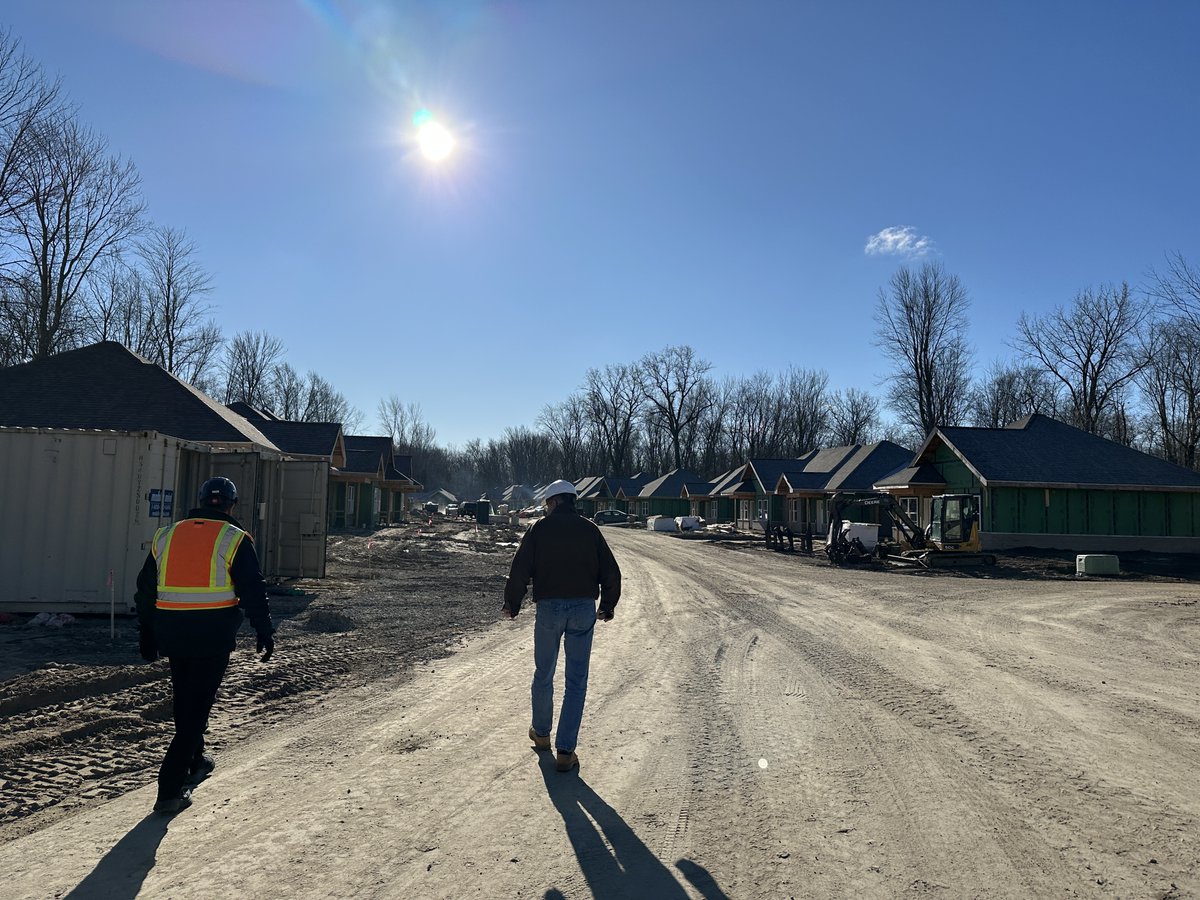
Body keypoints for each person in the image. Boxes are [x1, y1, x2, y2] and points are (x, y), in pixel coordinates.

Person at [134, 476, 276, 814]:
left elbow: (145, 589)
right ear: (231, 506)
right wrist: (264, 630)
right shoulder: (234, 538)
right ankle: (169, 789)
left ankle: (195, 762)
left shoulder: (166, 535)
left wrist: (147, 632)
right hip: (212, 634)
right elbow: (253, 588)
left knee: (186, 699)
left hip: (172, 632)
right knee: (197, 709)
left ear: (199, 502)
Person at [502, 479, 621, 772]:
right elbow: (611, 571)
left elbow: (520, 568)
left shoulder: (539, 529)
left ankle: (542, 735)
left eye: (546, 504)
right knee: (576, 681)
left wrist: (512, 604)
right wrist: (607, 605)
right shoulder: (590, 530)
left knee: (544, 672)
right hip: (582, 608)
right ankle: (566, 751)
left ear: (553, 502)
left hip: (549, 609)